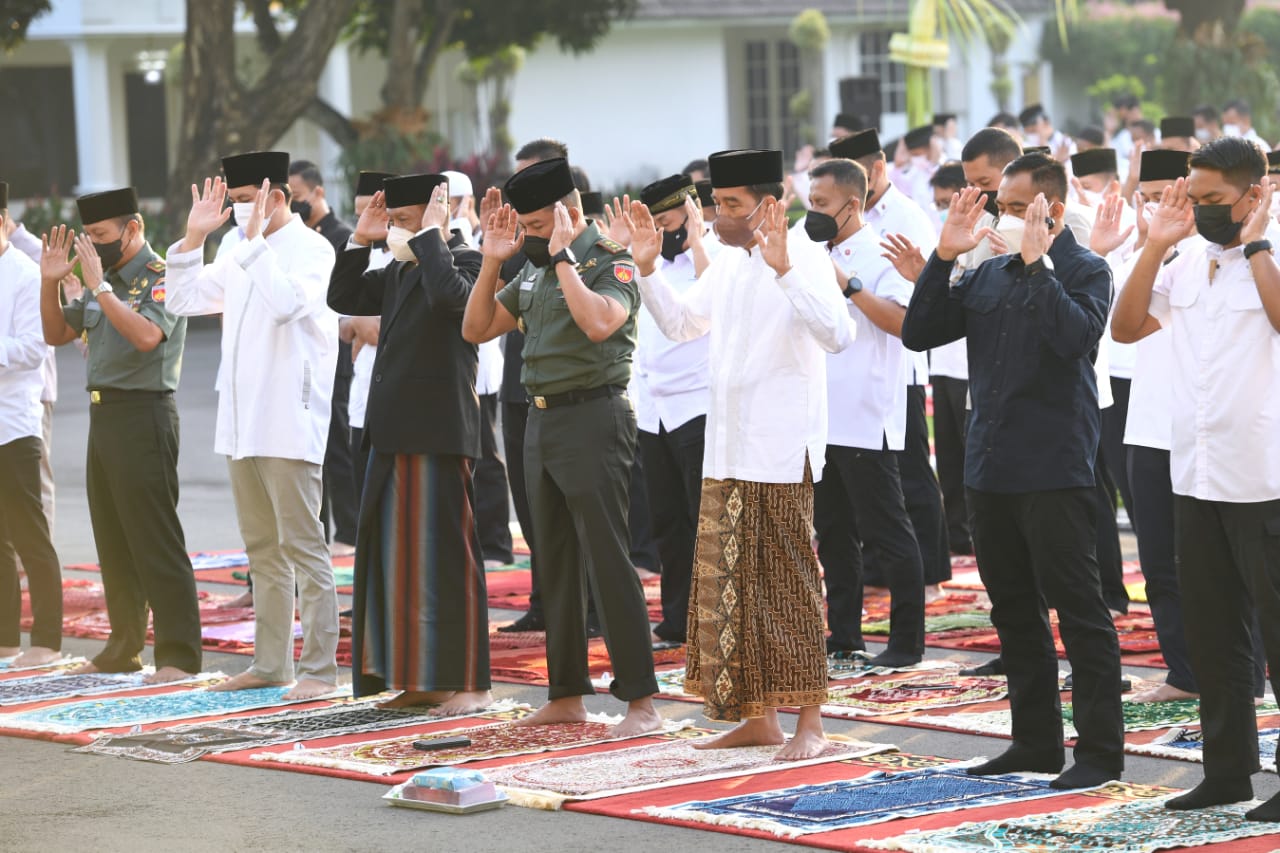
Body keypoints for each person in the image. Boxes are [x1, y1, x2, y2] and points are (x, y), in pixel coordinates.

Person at [901, 154, 1124, 789]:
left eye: (1018, 207)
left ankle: (1100, 754)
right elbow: (920, 333)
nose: (1005, 217)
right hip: (989, 466)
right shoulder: (988, 271)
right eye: (1002, 206)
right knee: (1013, 611)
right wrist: (944, 257)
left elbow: (1072, 338)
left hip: (1055, 468)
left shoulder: (1087, 269)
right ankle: (1034, 743)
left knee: (1080, 613)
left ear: (1050, 208)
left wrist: (1037, 264)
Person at [627, 148, 854, 759]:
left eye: (731, 205)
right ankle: (759, 719)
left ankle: (811, 723)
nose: (718, 217)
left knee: (790, 585)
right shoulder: (726, 263)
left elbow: (840, 334)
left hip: (780, 450)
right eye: (718, 204)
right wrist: (647, 271)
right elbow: (681, 326)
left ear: (769, 206)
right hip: (725, 449)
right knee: (735, 589)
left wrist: (784, 270)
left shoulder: (803, 255)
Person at [1112, 137, 1280, 820]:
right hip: (1198, 473)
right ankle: (1228, 771)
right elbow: (1124, 328)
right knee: (1214, 635)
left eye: (1215, 199)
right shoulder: (1185, 260)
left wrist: (1258, 245)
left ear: (1253, 193)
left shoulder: (1271, 254)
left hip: (1263, 475)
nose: (1204, 209)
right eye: (1197, 196)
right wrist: (1155, 242)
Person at [463, 157, 660, 737]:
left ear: (568, 214)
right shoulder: (530, 266)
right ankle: (567, 692)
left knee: (606, 558)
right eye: (523, 229)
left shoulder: (609, 262)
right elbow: (476, 329)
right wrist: (494, 261)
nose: (529, 238)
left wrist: (565, 258)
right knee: (553, 560)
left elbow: (599, 324)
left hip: (595, 416)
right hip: (542, 422)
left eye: (537, 228)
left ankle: (640, 702)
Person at [166, 151, 339, 700]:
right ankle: (271, 664)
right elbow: (184, 299)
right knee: (262, 547)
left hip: (289, 415)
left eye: (246, 201)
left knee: (303, 547)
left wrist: (256, 243)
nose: (240, 212)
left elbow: (288, 304)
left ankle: (318, 670)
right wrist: (194, 241)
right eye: (236, 202)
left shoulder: (313, 249)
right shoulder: (234, 245)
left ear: (279, 198)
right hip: (240, 420)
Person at [330, 173, 491, 715]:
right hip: (393, 430)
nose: (398, 230)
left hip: (439, 431)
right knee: (395, 562)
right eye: (394, 221)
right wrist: (362, 238)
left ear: (435, 213)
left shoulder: (468, 259)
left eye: (405, 219)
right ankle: (419, 677)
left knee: (446, 560)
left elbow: (455, 305)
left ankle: (469, 682)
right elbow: (345, 296)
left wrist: (431, 237)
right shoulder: (400, 267)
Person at [39, 187, 200, 682]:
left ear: (134, 229)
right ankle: (123, 645)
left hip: (144, 414)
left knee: (154, 538)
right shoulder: (99, 278)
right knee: (113, 537)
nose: (92, 245)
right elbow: (57, 334)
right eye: (87, 236)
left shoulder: (159, 277)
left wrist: (99, 288)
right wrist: (51, 283)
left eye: (101, 235)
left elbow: (148, 337)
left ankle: (177, 655)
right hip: (103, 416)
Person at [803, 157, 925, 664]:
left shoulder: (879, 254)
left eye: (823, 204)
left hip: (866, 410)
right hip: (821, 413)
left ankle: (905, 644)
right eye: (809, 203)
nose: (813, 213)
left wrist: (847, 283)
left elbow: (901, 322)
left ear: (853, 204)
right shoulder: (811, 252)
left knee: (887, 531)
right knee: (832, 533)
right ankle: (844, 636)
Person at [833, 128, 951, 595]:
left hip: (900, 362)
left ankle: (931, 573)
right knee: (874, 484)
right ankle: (883, 570)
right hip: (853, 367)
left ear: (878, 169)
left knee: (912, 472)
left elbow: (922, 288)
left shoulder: (906, 215)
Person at [1104, 148, 1200, 703]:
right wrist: (1151, 244)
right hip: (1146, 425)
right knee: (1159, 559)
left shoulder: (1222, 253)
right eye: (1146, 197)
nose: (1153, 208)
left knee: (1220, 565)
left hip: (1204, 432)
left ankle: (1240, 669)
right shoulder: (1144, 257)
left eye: (1165, 196)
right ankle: (1183, 672)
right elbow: (1125, 326)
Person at [632, 174, 713, 646]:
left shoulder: (713, 257)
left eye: (669, 221)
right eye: (654, 223)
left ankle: (711, 620)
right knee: (667, 522)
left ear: (692, 213)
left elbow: (705, 310)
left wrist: (700, 241)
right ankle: (678, 619)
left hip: (697, 403)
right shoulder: (645, 260)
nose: (663, 232)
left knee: (704, 520)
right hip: (653, 408)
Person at [0, 181, 63, 667]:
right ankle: (4, 639)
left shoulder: (24, 273)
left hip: (14, 425)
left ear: (3, 221)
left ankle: (45, 641)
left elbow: (34, 348)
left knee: (30, 535)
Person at [289, 160, 358, 559]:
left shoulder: (339, 236)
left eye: (299, 197)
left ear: (318, 193)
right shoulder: (300, 237)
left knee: (337, 446)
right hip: (305, 359)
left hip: (335, 354)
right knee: (313, 447)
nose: (296, 205)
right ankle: (325, 525)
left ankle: (349, 528)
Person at [926, 162, 974, 556]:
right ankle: (957, 533)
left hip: (969, 364)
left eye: (949, 200)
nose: (943, 208)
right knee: (950, 459)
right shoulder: (939, 234)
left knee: (972, 455)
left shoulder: (982, 234)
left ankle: (976, 531)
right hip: (942, 362)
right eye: (939, 202)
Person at [346, 170, 396, 503]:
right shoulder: (356, 254)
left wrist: (358, 324)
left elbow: (380, 331)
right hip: (360, 391)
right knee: (363, 492)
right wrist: (358, 324)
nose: (364, 220)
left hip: (396, 396)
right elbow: (342, 323)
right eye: (359, 213)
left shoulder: (403, 255)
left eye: (371, 210)